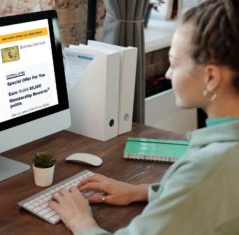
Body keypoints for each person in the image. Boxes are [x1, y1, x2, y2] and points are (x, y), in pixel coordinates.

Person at [48, 0, 239, 234]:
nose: (168, 74)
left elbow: (205, 182)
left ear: (211, 77)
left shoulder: (206, 169)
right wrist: (144, 191)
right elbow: (217, 192)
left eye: (174, 63)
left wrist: (81, 221)